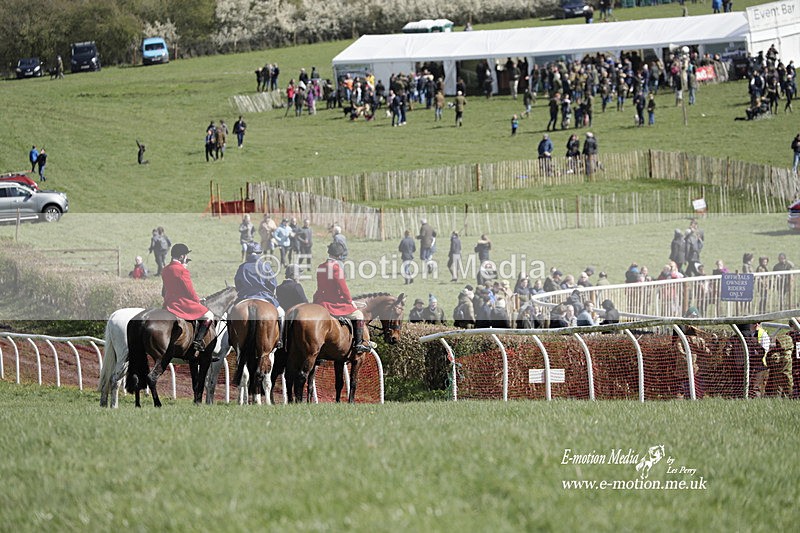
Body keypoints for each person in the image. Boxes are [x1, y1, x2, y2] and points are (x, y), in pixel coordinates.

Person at [313, 241, 372, 353]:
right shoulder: (336, 268)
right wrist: (350, 301)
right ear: (339, 255)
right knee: (359, 315)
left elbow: (320, 286)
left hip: (321, 301)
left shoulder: (321, 266)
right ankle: (359, 344)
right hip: (334, 303)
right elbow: (343, 289)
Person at [162, 243, 215, 354]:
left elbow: (164, 291)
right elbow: (189, 291)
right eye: (185, 255)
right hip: (182, 304)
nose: (186, 257)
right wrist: (198, 301)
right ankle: (198, 340)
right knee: (209, 315)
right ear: (181, 257)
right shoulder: (182, 270)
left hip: (168, 304)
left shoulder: (165, 269)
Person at [235, 242, 284, 346]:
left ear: (248, 253)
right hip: (264, 296)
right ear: (259, 253)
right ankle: (280, 339)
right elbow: (272, 284)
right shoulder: (266, 266)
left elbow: (238, 284)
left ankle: (232, 339)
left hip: (245, 297)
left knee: (230, 313)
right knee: (281, 314)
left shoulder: (242, 267)